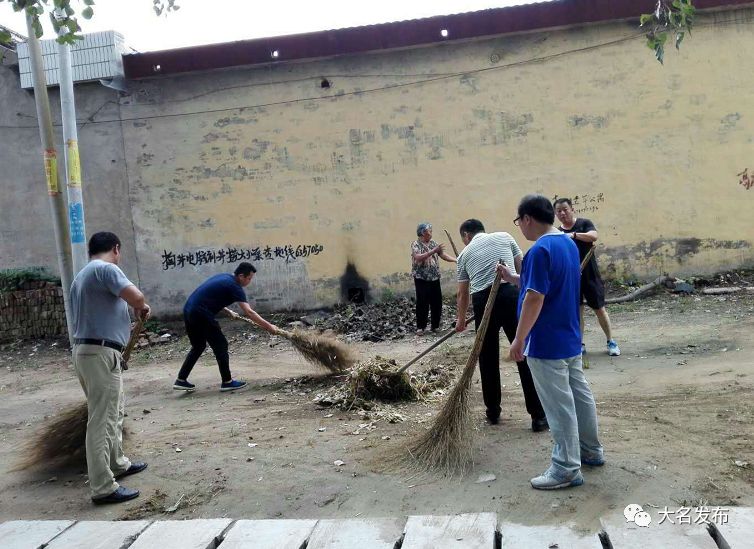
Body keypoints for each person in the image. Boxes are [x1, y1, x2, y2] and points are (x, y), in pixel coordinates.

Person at [500, 195, 604, 490]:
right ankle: (590, 450)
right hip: (570, 337)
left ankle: (566, 468)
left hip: (546, 342)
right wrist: (512, 277)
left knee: (559, 406)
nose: (520, 226)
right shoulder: (566, 244)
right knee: (579, 396)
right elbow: (545, 282)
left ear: (528, 219)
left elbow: (535, 297)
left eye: (519, 221)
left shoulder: (538, 250)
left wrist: (519, 339)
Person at [70, 231, 151, 504]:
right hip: (99, 353)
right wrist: (141, 306)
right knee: (102, 420)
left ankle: (117, 463)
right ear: (115, 249)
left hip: (91, 351)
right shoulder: (106, 269)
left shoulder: (81, 276)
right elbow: (135, 296)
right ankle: (103, 487)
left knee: (113, 412)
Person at [454, 219, 548, 432]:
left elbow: (462, 294)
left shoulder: (464, 254)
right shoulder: (505, 236)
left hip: (481, 300)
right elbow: (523, 270)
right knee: (522, 351)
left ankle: (493, 411)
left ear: (467, 236)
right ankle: (538, 416)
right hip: (510, 295)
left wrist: (460, 320)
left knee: (487, 357)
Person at [173, 262, 279, 392]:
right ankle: (227, 382)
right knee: (221, 345)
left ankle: (181, 380)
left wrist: (228, 311)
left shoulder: (225, 278)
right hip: (201, 314)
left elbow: (210, 297)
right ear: (241, 276)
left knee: (198, 346)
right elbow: (249, 312)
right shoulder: (235, 287)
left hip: (189, 310)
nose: (249, 281)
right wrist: (269, 327)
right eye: (249, 278)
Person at [553, 198, 620, 357]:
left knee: (599, 308)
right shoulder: (556, 232)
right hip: (571, 277)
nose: (562, 213)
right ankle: (579, 344)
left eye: (565, 209)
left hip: (590, 274)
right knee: (577, 311)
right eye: (559, 211)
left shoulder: (584, 223)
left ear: (572, 209)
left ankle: (611, 341)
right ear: (555, 214)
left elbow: (593, 236)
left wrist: (573, 235)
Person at [411, 222, 456, 335]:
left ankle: (435, 326)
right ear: (422, 233)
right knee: (422, 302)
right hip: (421, 278)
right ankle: (420, 327)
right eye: (428, 231)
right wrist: (433, 251)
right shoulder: (416, 244)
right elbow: (418, 257)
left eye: (431, 231)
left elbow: (443, 255)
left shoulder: (433, 244)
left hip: (434, 277)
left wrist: (456, 260)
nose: (430, 233)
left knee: (437, 302)